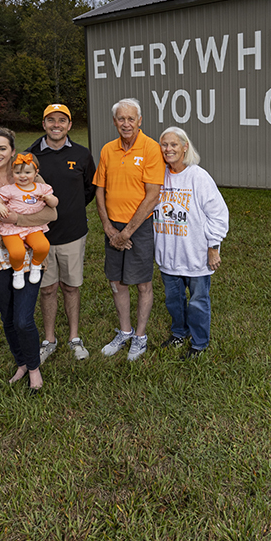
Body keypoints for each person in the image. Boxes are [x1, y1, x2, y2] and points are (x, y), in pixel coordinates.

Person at [0, 128, 58, 392]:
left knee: (23, 319)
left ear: (13, 151)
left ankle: (34, 369)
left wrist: (19, 222)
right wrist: (2, 239)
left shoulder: (30, 176)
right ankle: (21, 363)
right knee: (8, 317)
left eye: (2, 148)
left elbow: (51, 215)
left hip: (29, 259)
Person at [93, 98, 164, 362]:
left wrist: (127, 233)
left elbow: (152, 195)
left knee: (143, 283)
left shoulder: (151, 148)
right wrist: (108, 227)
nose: (126, 123)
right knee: (116, 282)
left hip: (140, 227)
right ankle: (125, 331)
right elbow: (100, 189)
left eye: (130, 119)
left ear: (140, 121)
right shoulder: (107, 150)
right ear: (114, 121)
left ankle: (141, 337)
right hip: (113, 227)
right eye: (121, 119)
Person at [26, 103, 96, 363]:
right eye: (51, 120)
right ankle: (49, 339)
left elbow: (89, 189)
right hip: (40, 236)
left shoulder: (81, 154)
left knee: (71, 287)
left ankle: (74, 338)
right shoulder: (30, 156)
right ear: (43, 124)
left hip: (73, 233)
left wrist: (71, 209)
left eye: (62, 120)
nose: (56, 125)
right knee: (46, 289)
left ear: (69, 125)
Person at [153, 127, 229, 360]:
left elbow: (218, 215)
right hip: (168, 256)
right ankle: (179, 333)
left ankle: (199, 343)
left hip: (195, 255)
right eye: (164, 144)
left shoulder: (198, 176)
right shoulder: (158, 177)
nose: (168, 149)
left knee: (197, 302)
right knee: (173, 301)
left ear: (185, 147)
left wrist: (213, 248)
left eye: (174, 144)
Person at [0, 153, 59, 289]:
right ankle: (18, 271)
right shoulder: (10, 189)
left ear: (36, 173)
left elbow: (55, 203)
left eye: (27, 172)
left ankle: (35, 264)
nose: (22, 176)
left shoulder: (41, 188)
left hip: (33, 227)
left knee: (43, 246)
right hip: (12, 228)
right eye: (18, 173)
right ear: (12, 173)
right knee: (17, 252)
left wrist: (47, 198)